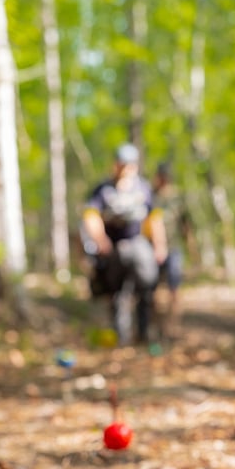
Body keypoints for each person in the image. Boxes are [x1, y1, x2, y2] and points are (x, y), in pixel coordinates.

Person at [82, 144, 167, 345]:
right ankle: (120, 336)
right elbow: (90, 216)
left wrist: (159, 244)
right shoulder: (103, 190)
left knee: (147, 285)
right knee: (116, 293)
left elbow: (154, 218)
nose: (124, 169)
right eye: (121, 164)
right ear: (115, 165)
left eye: (128, 165)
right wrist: (100, 240)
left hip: (137, 243)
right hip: (113, 247)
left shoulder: (143, 188)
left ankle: (144, 332)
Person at [151, 161, 190, 338]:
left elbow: (186, 224)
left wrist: (190, 247)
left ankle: (174, 328)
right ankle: (159, 328)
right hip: (153, 249)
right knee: (155, 290)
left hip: (174, 248)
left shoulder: (178, 197)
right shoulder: (151, 197)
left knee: (174, 289)